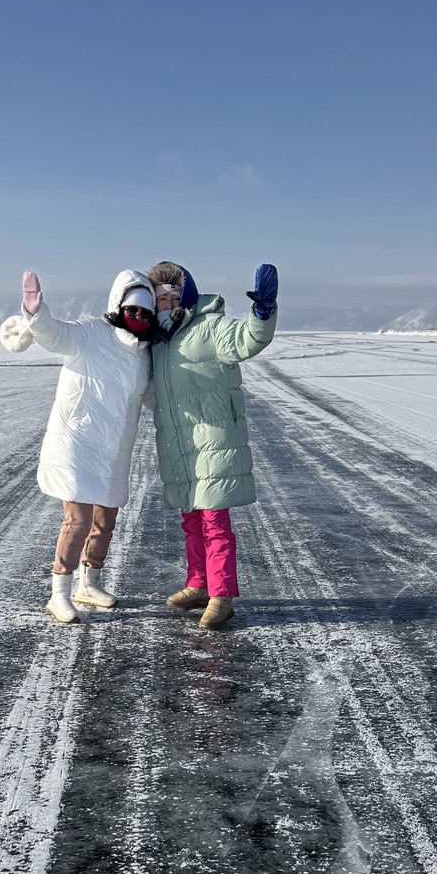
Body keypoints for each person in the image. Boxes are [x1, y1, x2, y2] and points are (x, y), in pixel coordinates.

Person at [0, 269, 155, 623]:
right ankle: (59, 594)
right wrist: (35, 312)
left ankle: (90, 583)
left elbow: (151, 396)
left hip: (114, 447)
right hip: (77, 441)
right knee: (78, 521)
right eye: (132, 309)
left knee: (105, 521)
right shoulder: (91, 333)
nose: (138, 316)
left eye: (145, 312)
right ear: (119, 306)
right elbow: (55, 335)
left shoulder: (144, 353)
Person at [147, 260, 278, 629]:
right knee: (191, 518)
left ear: (186, 295)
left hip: (215, 439)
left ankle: (222, 596)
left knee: (214, 520)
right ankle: (199, 584)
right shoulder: (157, 341)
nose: (168, 304)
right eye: (161, 298)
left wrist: (263, 312)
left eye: (175, 296)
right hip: (180, 442)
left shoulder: (210, 326)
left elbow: (248, 339)